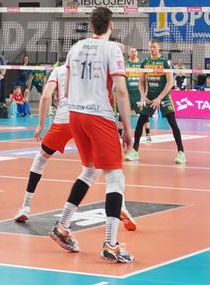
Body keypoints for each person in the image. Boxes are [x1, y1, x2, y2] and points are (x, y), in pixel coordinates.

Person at [46, 7, 135, 263]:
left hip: (75, 113)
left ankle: (62, 227)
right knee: (115, 177)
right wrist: (127, 128)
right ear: (111, 25)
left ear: (90, 25)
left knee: (89, 170)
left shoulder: (75, 48)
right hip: (98, 115)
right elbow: (121, 91)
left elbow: (67, 87)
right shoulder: (112, 49)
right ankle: (111, 245)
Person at [16, 57, 137, 231]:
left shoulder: (58, 71)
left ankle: (25, 207)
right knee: (108, 169)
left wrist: (41, 124)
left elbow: (46, 96)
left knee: (41, 158)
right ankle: (121, 206)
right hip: (86, 120)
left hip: (64, 121)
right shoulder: (89, 71)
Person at [134, 40, 185, 163]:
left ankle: (181, 153)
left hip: (164, 96)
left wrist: (159, 98)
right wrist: (142, 95)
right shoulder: (145, 62)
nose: (152, 49)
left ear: (159, 48)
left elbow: (170, 83)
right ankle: (134, 151)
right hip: (150, 96)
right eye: (150, 47)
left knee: (173, 123)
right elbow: (141, 81)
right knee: (140, 122)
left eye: (154, 47)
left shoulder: (164, 62)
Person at [122, 46, 146, 162]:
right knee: (123, 116)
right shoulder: (125, 64)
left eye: (135, 51)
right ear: (128, 53)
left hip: (138, 94)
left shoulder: (141, 64)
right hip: (127, 93)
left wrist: (144, 93)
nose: (134, 53)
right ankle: (123, 135)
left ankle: (147, 134)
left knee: (143, 116)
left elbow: (145, 79)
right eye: (132, 51)